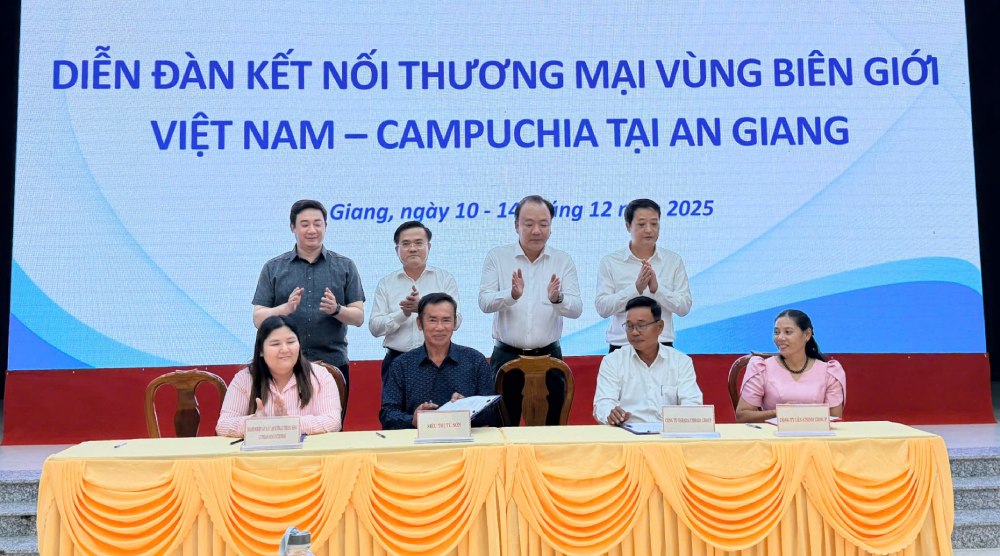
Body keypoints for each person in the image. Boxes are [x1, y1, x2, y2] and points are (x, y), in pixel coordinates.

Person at [479, 195, 582, 426]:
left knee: (551, 429)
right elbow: (485, 302)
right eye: (529, 224)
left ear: (551, 226)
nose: (537, 231)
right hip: (507, 358)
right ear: (516, 225)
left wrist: (558, 299)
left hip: (549, 359)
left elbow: (576, 309)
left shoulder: (562, 260)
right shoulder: (497, 257)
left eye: (543, 224)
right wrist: (511, 295)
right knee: (503, 429)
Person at [252, 199, 365, 408]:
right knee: (283, 423)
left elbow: (358, 317)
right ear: (293, 227)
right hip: (283, 365)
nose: (312, 230)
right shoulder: (273, 267)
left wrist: (337, 309)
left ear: (325, 226)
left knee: (331, 425)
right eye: (304, 224)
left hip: (332, 364)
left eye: (317, 223)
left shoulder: (345, 266)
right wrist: (284, 309)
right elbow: (258, 319)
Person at [380, 292, 501, 430]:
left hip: (465, 439)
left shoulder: (475, 361)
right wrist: (412, 420)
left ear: (455, 323)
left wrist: (469, 409)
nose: (439, 327)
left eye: (446, 320)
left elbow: (492, 411)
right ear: (419, 323)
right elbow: (387, 414)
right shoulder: (401, 365)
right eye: (432, 320)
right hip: (416, 440)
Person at [216, 316, 342, 437]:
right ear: (260, 350)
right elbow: (223, 425)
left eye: (291, 342)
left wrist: (289, 424)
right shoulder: (244, 379)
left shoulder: (320, 376)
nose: (285, 349)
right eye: (275, 344)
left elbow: (333, 422)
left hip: (308, 451)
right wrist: (253, 423)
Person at [369, 221, 461, 382]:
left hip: (439, 360)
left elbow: (457, 321)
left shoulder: (444, 279)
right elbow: (375, 328)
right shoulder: (386, 283)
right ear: (397, 250)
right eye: (405, 244)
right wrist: (402, 314)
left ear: (428, 247)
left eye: (419, 243)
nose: (412, 248)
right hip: (396, 361)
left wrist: (423, 309)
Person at [595, 199, 692, 352]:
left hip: (662, 346)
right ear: (628, 226)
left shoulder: (673, 261)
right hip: (622, 347)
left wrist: (657, 290)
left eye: (654, 224)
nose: (649, 230)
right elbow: (603, 309)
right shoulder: (610, 262)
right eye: (641, 224)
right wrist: (635, 289)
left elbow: (684, 307)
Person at [593, 296, 703, 425]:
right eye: (629, 326)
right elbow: (603, 403)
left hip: (668, 433)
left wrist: (679, 420)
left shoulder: (681, 362)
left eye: (641, 325)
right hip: (626, 432)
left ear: (660, 327)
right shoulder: (612, 361)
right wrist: (610, 414)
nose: (634, 332)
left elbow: (692, 404)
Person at [736, 309, 846, 423]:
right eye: (777, 332)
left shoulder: (829, 372)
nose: (780, 338)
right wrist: (779, 413)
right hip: (772, 434)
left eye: (788, 332)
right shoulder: (761, 368)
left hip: (816, 434)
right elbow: (742, 416)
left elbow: (835, 419)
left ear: (807, 334)